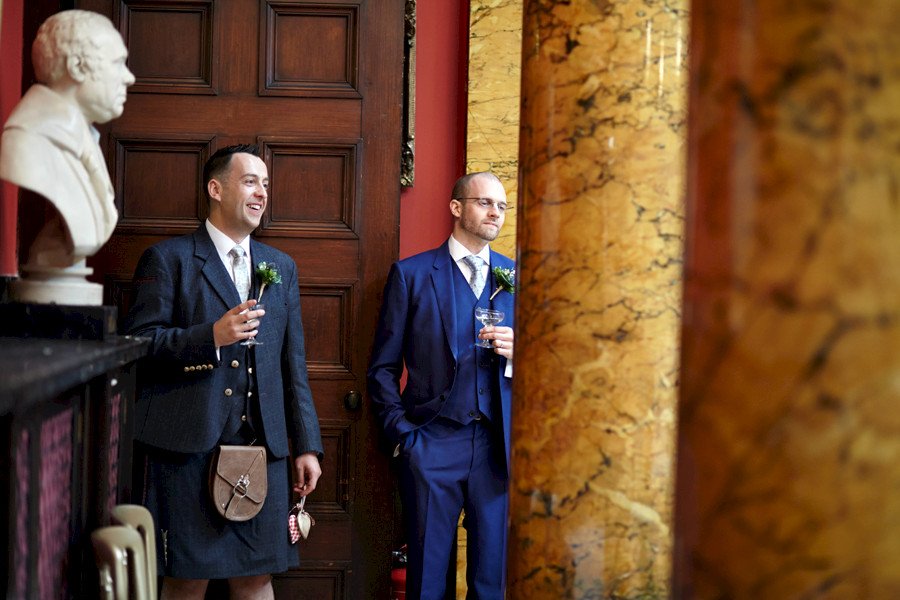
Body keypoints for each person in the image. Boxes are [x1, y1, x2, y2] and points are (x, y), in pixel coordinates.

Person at [124, 144, 323, 600]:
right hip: (187, 450)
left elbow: (293, 366)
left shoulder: (280, 268)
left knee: (257, 580)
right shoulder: (168, 259)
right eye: (250, 181)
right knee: (185, 581)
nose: (262, 192)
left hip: (262, 452)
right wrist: (209, 336)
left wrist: (307, 445)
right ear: (216, 189)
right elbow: (139, 345)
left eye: (266, 184)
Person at [367, 172, 516, 599]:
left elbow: (551, 365)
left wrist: (519, 353)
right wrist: (405, 436)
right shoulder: (411, 275)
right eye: (485, 203)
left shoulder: (515, 275)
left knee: (492, 581)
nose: (495, 213)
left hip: (495, 448)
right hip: (431, 442)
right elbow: (382, 368)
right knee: (427, 581)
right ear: (456, 208)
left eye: (502, 207)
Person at [1, 9, 134, 267]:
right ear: (76, 67)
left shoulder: (84, 141)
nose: (129, 77)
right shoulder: (26, 142)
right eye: (118, 63)